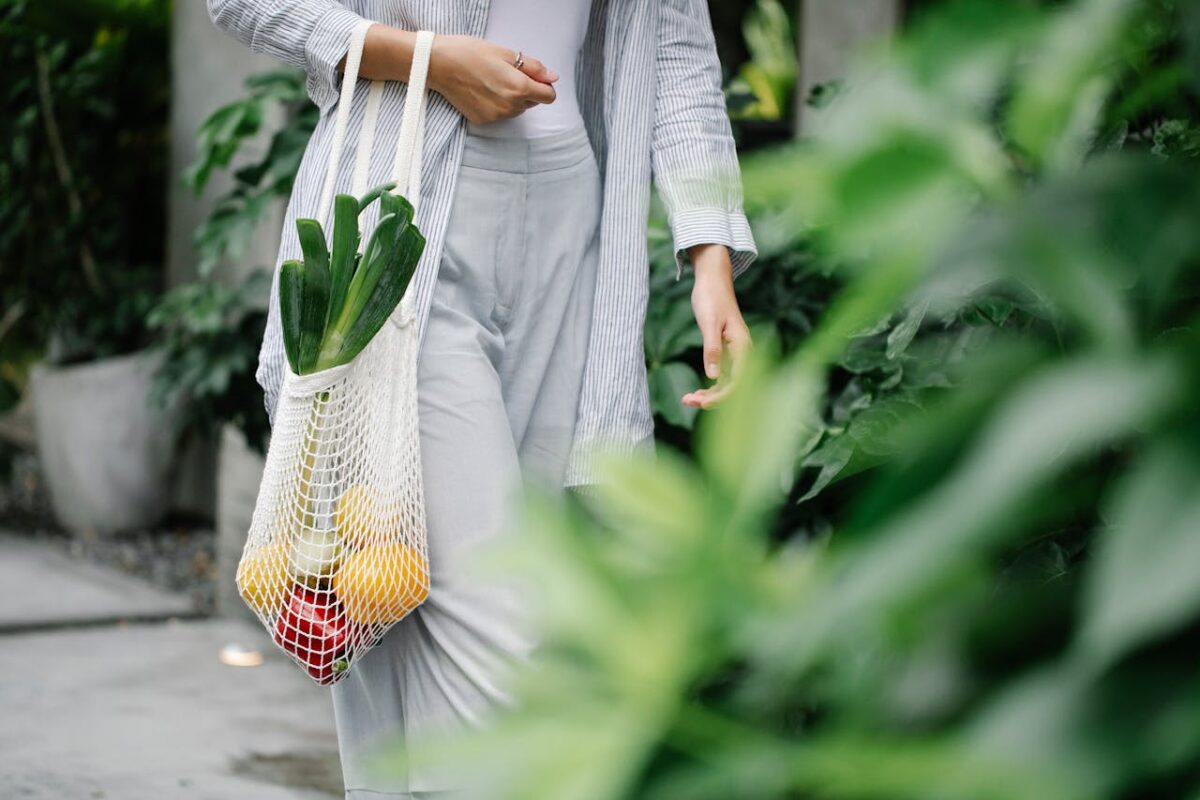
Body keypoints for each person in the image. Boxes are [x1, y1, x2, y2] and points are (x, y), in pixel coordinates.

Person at [207, 0, 757, 797]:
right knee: (494, 631)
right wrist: (425, 58)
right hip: (402, 218)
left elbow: (673, 41)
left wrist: (710, 255)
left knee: (389, 608)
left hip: (573, 228)